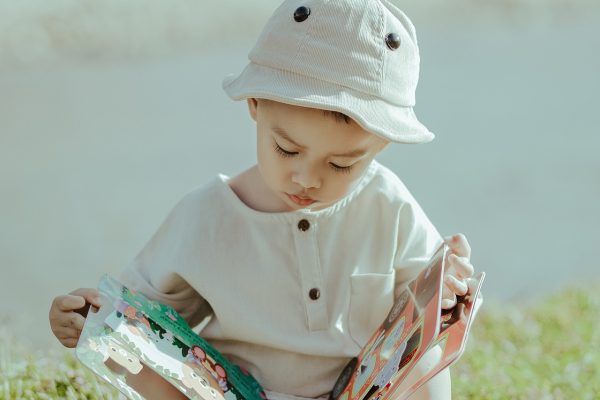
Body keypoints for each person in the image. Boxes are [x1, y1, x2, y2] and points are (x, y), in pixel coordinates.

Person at [49, 1, 479, 399]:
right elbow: (142, 313)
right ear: (255, 104)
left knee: (429, 360)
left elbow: (417, 308)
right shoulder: (208, 217)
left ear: (380, 145)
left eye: (342, 165)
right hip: (238, 391)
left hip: (357, 390)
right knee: (129, 349)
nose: (307, 179)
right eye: (287, 150)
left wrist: (446, 287)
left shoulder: (388, 204)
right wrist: (88, 316)